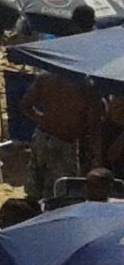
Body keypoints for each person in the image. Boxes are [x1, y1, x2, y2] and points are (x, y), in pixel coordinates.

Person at [23, 62, 92, 199]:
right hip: (65, 141)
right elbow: (93, 122)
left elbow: (26, 105)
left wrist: (45, 118)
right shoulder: (85, 84)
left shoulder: (45, 77)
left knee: (36, 186)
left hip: (42, 136)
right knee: (60, 192)